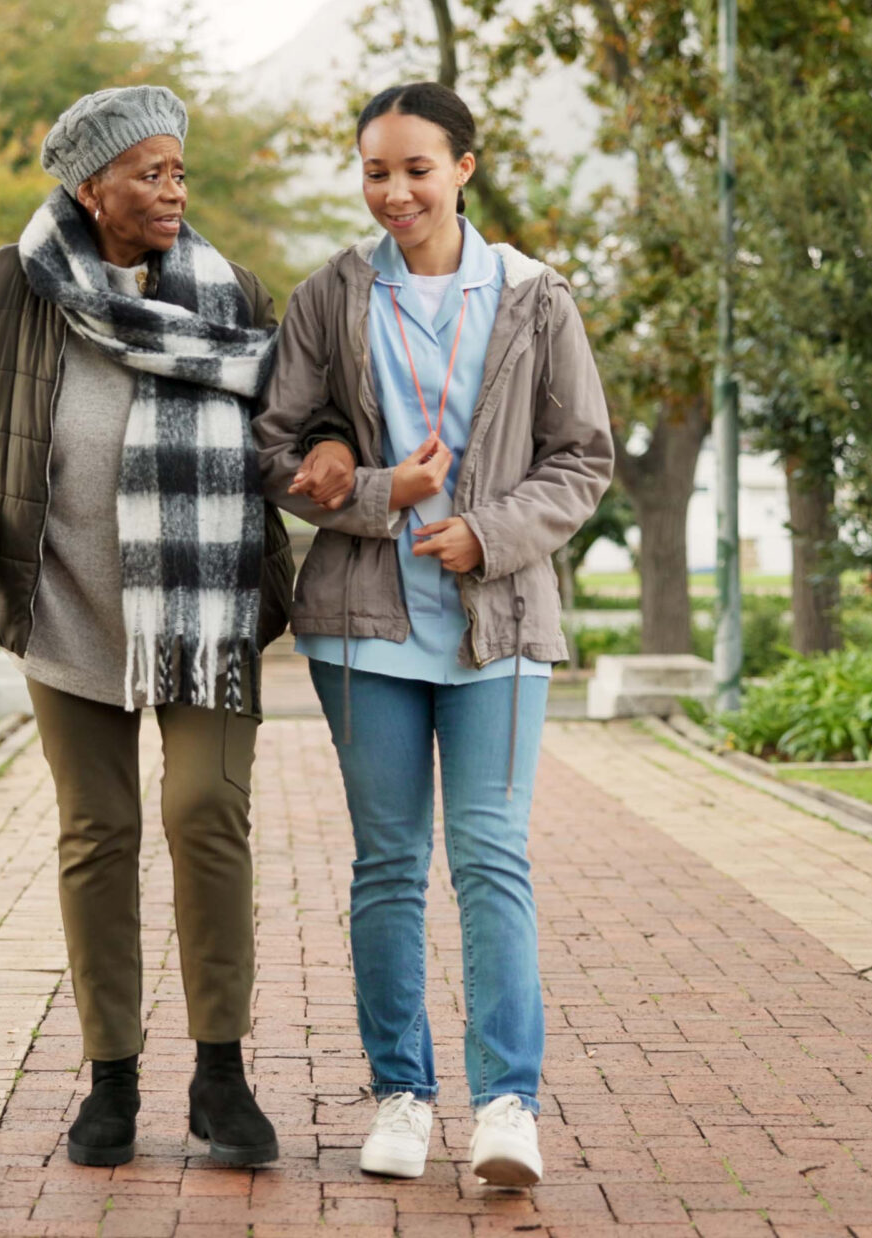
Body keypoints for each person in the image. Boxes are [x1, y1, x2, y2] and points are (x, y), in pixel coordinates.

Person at [0, 85, 321, 1169]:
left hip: (208, 602)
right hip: (67, 600)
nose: (174, 188)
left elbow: (281, 426)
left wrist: (332, 464)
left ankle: (221, 1075)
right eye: (150, 172)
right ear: (90, 188)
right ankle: (112, 1080)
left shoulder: (229, 289)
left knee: (203, 813)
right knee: (98, 834)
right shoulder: (6, 288)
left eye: (180, 170)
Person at [253, 82, 614, 1188]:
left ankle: (508, 1106)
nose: (394, 190)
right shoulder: (327, 297)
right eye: (375, 171)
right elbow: (274, 451)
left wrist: (487, 534)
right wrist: (370, 490)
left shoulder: (536, 300)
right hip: (363, 630)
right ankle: (401, 1095)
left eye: (416, 167)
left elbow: (582, 458)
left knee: (493, 859)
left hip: (497, 623)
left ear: (465, 167)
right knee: (390, 866)